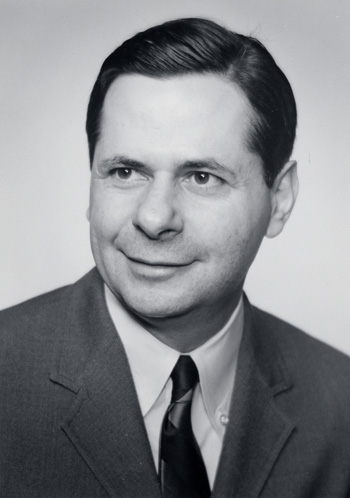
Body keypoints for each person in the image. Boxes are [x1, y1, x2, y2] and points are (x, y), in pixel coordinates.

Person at [1, 17, 350, 498]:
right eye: (125, 171)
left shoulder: (340, 404)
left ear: (280, 198)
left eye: (201, 177)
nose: (154, 217)